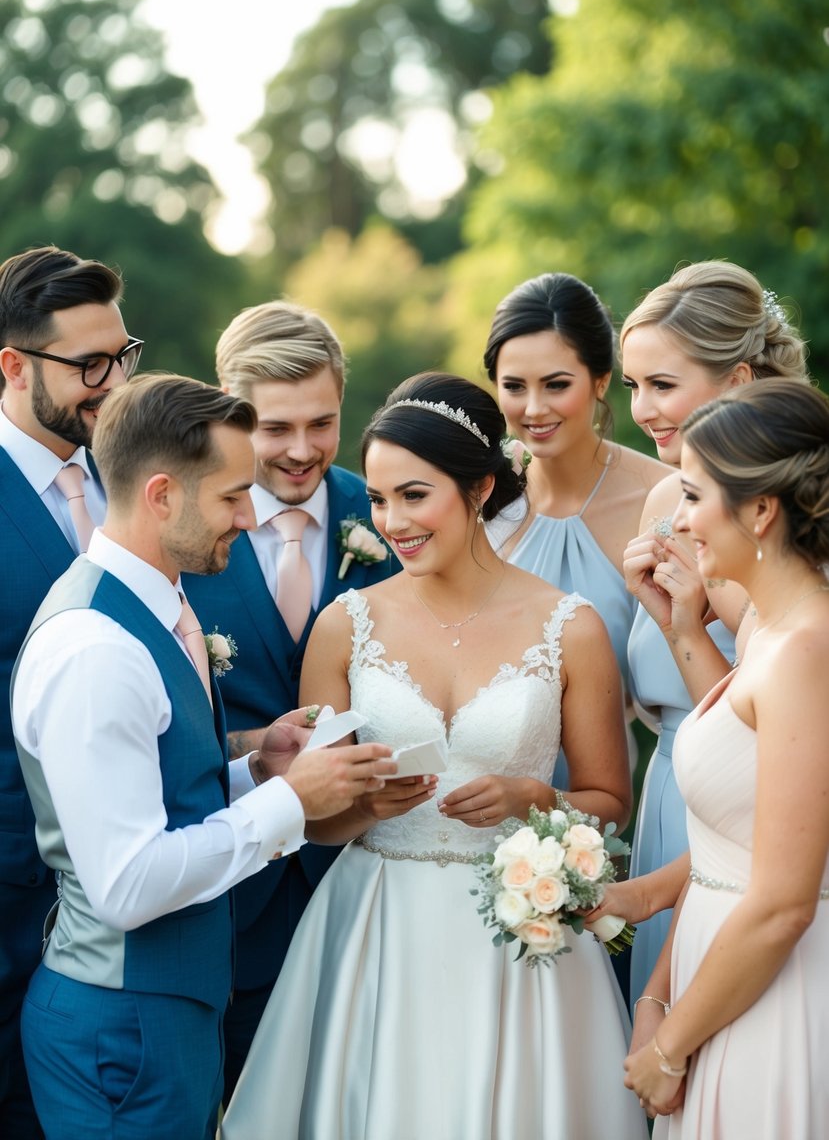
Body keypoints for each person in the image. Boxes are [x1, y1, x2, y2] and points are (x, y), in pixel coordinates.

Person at [222, 372, 648, 1140]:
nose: (392, 522)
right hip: (376, 931)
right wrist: (357, 808)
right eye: (380, 500)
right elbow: (317, 824)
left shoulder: (569, 626)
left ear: (480, 485)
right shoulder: (343, 625)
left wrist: (533, 799)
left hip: (521, 942)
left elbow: (610, 804)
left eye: (414, 496)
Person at [11, 373, 396, 1140]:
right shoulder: (97, 650)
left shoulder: (158, 607)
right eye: (229, 497)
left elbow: (152, 792)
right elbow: (128, 883)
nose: (250, 517)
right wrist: (292, 803)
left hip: (162, 1014)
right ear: (161, 495)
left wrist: (256, 768)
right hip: (121, 1031)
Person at [183, 300, 398, 1100]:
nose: (302, 451)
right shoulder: (180, 528)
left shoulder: (390, 511)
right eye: (275, 429)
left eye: (323, 422)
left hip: (370, 882)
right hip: (234, 897)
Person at [623, 378, 829, 1136]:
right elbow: (744, 803)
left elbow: (780, 902)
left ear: (760, 510)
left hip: (773, 993)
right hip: (722, 979)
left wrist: (668, 1050)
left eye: (691, 496)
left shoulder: (807, 648)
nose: (677, 522)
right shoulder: (768, 632)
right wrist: (678, 623)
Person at [618, 261, 808, 1005]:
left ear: (736, 379)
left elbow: (759, 738)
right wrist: (679, 627)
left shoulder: (791, 528)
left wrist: (692, 626)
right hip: (670, 792)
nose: (641, 409)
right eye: (631, 386)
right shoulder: (667, 500)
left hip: (754, 820)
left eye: (660, 385)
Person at [0, 244, 134, 1139]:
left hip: (131, 918)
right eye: (90, 365)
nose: (114, 382)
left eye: (124, 356)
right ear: (12, 367)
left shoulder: (139, 481)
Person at [484, 272, 670, 688]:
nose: (533, 409)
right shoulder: (479, 500)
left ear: (601, 380)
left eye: (556, 385)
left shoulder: (663, 497)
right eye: (514, 386)